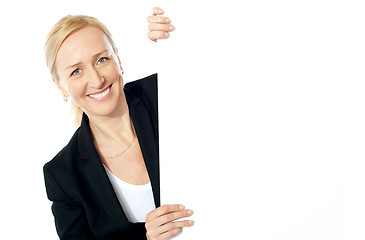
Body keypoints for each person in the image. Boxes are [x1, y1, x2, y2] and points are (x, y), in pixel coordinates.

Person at [43, 7, 194, 240]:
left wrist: (181, 32)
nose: (96, 79)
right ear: (60, 86)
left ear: (118, 59)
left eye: (102, 59)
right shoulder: (63, 175)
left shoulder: (164, 94)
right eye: (76, 71)